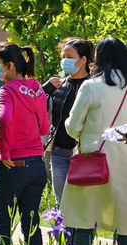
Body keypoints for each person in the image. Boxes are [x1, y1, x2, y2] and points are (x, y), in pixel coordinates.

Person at [61, 37, 127, 245]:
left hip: (93, 163)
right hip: (124, 165)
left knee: (84, 220)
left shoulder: (91, 86)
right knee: (125, 223)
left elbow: (72, 127)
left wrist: (87, 136)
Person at [0, 42, 49, 245]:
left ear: (10, 65)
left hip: (13, 164)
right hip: (37, 166)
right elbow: (44, 126)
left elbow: (4, 118)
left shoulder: (7, 90)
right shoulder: (36, 87)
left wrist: (4, 152)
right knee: (31, 221)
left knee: (3, 223)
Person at [42, 38, 93, 205]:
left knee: (83, 203)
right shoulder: (58, 86)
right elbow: (34, 109)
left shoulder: (93, 86)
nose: (64, 61)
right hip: (59, 151)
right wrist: (44, 91)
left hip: (85, 153)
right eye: (63, 56)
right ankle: (63, 232)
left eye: (69, 56)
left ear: (83, 59)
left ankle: (82, 232)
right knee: (61, 202)